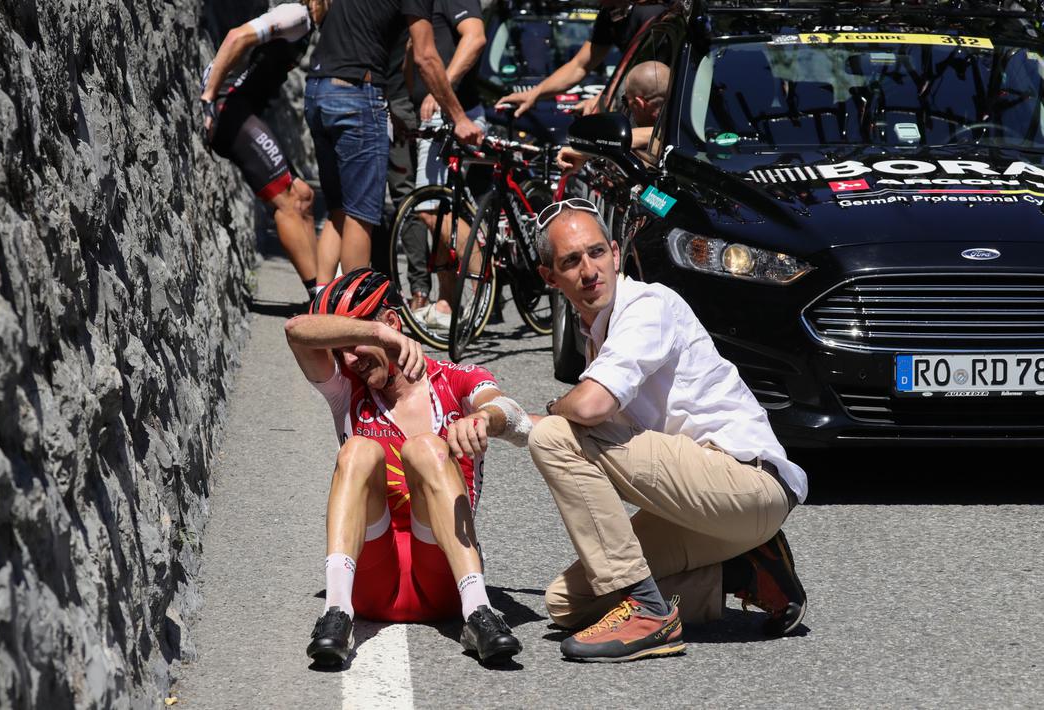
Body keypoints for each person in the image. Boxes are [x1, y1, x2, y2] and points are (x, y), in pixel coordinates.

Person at [526, 199, 809, 663]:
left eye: (597, 253)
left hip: (745, 480)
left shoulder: (646, 306)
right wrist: (495, 421)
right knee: (567, 603)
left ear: (617, 254)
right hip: (705, 509)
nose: (589, 270)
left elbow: (589, 410)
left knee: (556, 435)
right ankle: (745, 571)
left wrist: (555, 410)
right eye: (571, 261)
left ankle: (646, 612)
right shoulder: (599, 333)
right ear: (549, 277)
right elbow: (587, 429)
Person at [285, 268, 536, 667]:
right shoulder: (346, 391)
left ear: (392, 320)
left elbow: (511, 412)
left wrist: (483, 420)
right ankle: (336, 613)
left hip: (442, 581)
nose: (350, 359)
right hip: (374, 584)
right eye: (342, 349)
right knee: (357, 452)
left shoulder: (454, 380)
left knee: (426, 449)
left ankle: (479, 612)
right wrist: (375, 336)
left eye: (357, 343)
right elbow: (297, 330)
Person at [306, 0, 483, 292]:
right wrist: (459, 118)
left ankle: (320, 305)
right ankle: (356, 314)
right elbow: (424, 55)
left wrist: (386, 108)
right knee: (360, 215)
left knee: (337, 210)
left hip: (317, 90)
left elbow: (362, 39)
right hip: (357, 94)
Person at [200, 2, 324, 302]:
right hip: (229, 109)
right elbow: (236, 37)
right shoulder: (297, 15)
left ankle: (323, 291)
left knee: (304, 196)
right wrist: (208, 98)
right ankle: (319, 298)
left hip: (243, 111)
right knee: (289, 200)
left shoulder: (307, 25)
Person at [404, 0, 487, 328]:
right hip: (432, 119)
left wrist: (442, 89)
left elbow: (476, 37)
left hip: (453, 114)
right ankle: (446, 303)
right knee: (440, 213)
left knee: (430, 209)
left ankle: (482, 287)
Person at [496, 1, 665, 119]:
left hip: (661, 108)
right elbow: (579, 66)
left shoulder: (651, 13)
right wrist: (533, 94)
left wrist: (601, 101)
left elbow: (632, 73)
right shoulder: (610, 13)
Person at [555, 59, 669, 175]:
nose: (626, 108)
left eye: (625, 101)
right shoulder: (686, 118)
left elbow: (657, 136)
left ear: (640, 104)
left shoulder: (676, 135)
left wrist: (588, 150)